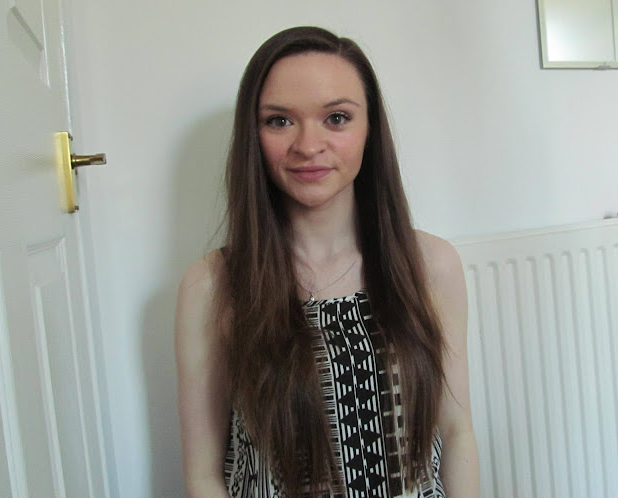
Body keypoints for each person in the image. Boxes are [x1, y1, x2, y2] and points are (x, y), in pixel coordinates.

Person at [175, 26, 479, 498]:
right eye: (279, 121)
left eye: (336, 118)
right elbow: (204, 474)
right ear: (252, 135)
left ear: (369, 130)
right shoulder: (212, 286)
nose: (308, 145)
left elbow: (456, 432)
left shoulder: (431, 265)